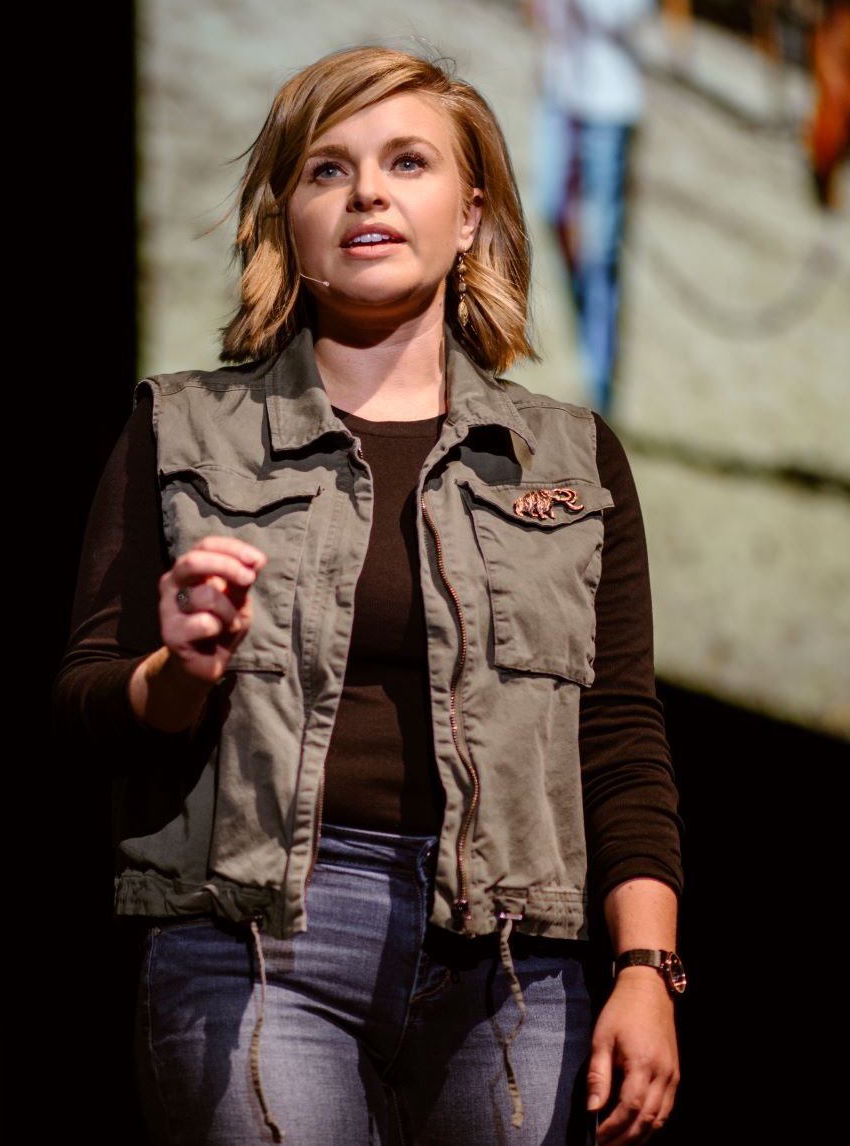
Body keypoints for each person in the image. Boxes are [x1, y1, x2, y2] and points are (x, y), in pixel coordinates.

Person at [54, 44, 684, 1146]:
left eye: (407, 163)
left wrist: (643, 965)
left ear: (470, 211)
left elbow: (619, 736)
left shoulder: (569, 459)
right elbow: (87, 702)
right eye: (327, 170)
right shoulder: (180, 427)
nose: (369, 196)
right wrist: (182, 671)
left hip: (512, 955)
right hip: (257, 940)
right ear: (286, 216)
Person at [526, 0, 655, 416]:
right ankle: (589, 339)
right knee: (551, 212)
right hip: (561, 91)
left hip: (611, 102)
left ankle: (599, 388)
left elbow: (620, 15)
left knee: (600, 250)